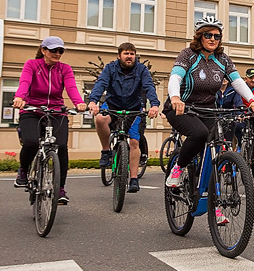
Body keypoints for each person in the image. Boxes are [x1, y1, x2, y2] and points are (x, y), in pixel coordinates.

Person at [164, 17, 254, 188]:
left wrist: (252, 100)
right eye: (208, 35)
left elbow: (237, 82)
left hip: (207, 109)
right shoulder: (188, 55)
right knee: (199, 134)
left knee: (218, 140)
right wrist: (175, 97)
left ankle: (207, 189)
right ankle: (178, 168)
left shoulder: (223, 59)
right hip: (182, 107)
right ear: (199, 37)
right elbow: (175, 77)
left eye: (216, 36)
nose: (212, 39)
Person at [12, 36, 87, 204]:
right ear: (44, 50)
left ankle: (60, 189)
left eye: (61, 51)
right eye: (54, 50)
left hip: (56, 111)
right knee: (31, 142)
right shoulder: (32, 65)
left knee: (61, 147)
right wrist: (19, 97)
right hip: (32, 109)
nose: (58, 54)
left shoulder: (65, 69)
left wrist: (79, 103)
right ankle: (24, 170)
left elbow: (71, 87)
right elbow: (25, 82)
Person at [88, 42, 160, 194]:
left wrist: (154, 104)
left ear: (135, 56)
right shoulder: (110, 68)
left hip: (134, 109)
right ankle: (106, 151)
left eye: (132, 54)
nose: (129, 57)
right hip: (113, 106)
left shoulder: (141, 70)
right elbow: (101, 84)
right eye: (126, 53)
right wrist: (93, 101)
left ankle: (133, 179)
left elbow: (149, 86)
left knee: (134, 141)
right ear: (119, 55)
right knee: (100, 119)